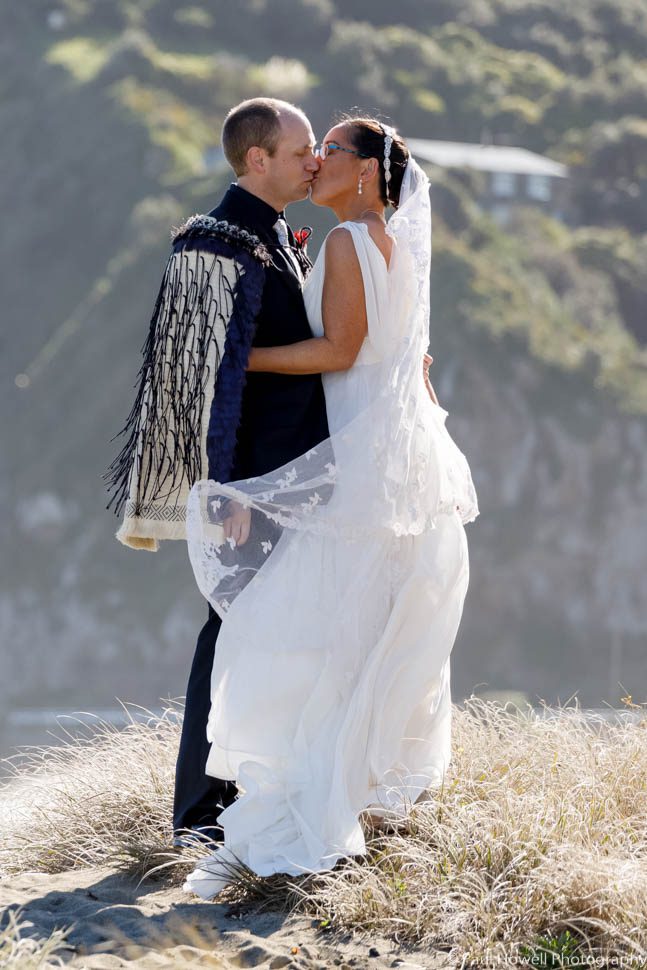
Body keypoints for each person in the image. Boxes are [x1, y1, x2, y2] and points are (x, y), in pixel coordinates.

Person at [182, 117, 479, 898]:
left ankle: (312, 797)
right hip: (386, 457)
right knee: (360, 630)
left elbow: (340, 351)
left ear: (366, 171)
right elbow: (405, 357)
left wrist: (238, 357)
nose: (318, 160)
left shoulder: (347, 241)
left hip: (356, 462)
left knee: (310, 630)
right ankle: (355, 791)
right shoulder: (386, 242)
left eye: (333, 149)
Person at [104, 98, 330, 845]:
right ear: (256, 159)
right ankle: (200, 813)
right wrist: (219, 490)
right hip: (247, 487)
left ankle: (257, 795)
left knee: (277, 636)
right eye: (299, 151)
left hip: (293, 478)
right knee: (229, 635)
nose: (313, 162)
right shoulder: (211, 242)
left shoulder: (276, 235)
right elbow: (188, 378)